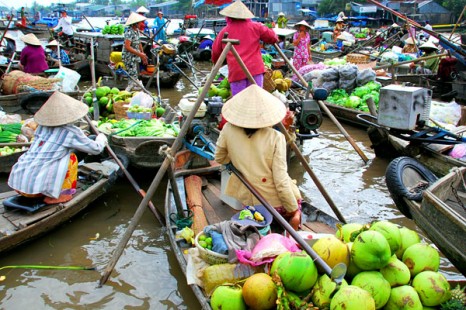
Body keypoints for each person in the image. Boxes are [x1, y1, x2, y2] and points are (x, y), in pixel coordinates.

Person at [214, 85, 302, 230]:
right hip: (273, 204)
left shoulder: (228, 129)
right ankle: (292, 225)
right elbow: (280, 180)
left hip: (249, 200)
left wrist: (237, 161)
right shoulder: (276, 137)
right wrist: (294, 211)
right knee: (296, 204)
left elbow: (219, 157)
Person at [8, 91, 108, 205]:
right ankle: (60, 195)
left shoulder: (42, 127)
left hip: (19, 184)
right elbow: (96, 149)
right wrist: (101, 138)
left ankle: (46, 188)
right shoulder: (71, 131)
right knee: (71, 159)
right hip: (35, 190)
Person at [212, 1, 277, 96]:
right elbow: (273, 38)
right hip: (255, 70)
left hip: (236, 71)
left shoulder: (224, 31)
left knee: (239, 103)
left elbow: (216, 53)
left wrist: (217, 63)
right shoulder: (256, 27)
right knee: (256, 100)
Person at [122, 12, 148, 92]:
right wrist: (140, 54)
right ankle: (129, 90)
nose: (141, 24)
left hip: (135, 56)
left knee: (135, 73)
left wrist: (142, 54)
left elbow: (139, 42)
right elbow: (127, 46)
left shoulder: (136, 31)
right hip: (129, 56)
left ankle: (133, 88)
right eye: (140, 22)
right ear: (135, 23)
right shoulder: (129, 31)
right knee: (132, 75)